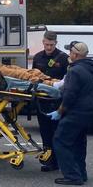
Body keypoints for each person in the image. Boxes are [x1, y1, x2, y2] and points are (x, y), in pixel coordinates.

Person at [47, 42, 93, 185]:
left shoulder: (75, 71)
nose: (69, 54)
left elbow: (70, 95)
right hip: (92, 112)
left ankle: (72, 175)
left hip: (78, 112)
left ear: (75, 55)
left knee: (60, 141)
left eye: (71, 52)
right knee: (79, 141)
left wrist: (60, 111)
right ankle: (81, 173)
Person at [32, 31, 70, 172]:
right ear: (43, 42)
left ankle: (59, 161)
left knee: (57, 133)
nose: (49, 47)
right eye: (47, 44)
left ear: (56, 43)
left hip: (57, 101)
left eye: (51, 45)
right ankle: (48, 161)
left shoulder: (64, 58)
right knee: (45, 132)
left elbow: (67, 80)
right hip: (42, 101)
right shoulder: (37, 58)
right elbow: (33, 76)